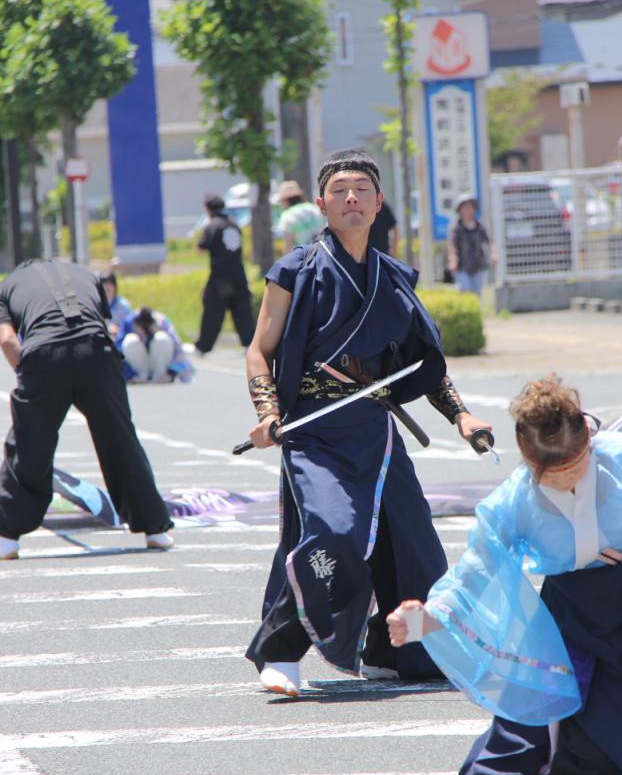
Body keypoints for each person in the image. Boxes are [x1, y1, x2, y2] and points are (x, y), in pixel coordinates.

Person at [243, 148, 492, 698]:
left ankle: (391, 650)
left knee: (416, 545)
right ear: (321, 204)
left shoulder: (394, 277)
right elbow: (260, 351)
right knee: (333, 533)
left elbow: (420, 363)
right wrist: (267, 413)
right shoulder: (295, 270)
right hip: (313, 430)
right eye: (339, 190)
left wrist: (461, 415)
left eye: (361, 188)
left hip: (376, 433)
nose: (350, 197)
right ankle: (280, 650)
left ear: (379, 204)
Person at [388, 374, 622, 775]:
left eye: (577, 466)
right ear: (529, 462)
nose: (567, 482)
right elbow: (478, 567)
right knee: (508, 763)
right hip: (573, 625)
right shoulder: (515, 501)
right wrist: (427, 618)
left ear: (589, 441)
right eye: (553, 475)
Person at [0, 259, 174, 559]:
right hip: (96, 350)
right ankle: (155, 529)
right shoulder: (87, 275)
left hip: (44, 351)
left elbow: (7, 339)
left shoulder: (7, 287)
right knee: (120, 437)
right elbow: (101, 323)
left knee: (30, 441)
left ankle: (7, 537)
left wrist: (28, 375)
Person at [194, 193, 255, 355]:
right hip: (239, 273)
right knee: (242, 310)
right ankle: (250, 343)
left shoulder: (212, 225)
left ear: (208, 208)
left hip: (220, 276)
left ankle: (203, 346)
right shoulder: (234, 224)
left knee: (213, 311)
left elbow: (201, 248)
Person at [117, 306, 195, 384]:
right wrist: (128, 373)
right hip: (137, 370)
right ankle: (141, 375)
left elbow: (178, 350)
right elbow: (118, 348)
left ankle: (160, 375)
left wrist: (172, 372)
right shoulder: (129, 322)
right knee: (130, 339)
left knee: (161, 338)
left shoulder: (162, 322)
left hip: (161, 367)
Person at [448, 193, 496, 296]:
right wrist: (453, 260)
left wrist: (494, 254)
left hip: (478, 263)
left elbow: (489, 241)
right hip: (462, 265)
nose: (468, 210)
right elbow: (452, 246)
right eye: (465, 207)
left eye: (470, 207)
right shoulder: (457, 227)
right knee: (465, 289)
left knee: (477, 292)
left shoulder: (480, 226)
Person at [277, 179, 325, 251]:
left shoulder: (287, 215)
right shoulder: (314, 208)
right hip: (322, 251)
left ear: (285, 200)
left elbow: (288, 243)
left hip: (304, 255)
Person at [99, 271, 131, 337]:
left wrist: (118, 330)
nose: (106, 287)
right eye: (103, 284)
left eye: (109, 284)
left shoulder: (123, 305)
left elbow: (129, 327)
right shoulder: (96, 304)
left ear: (115, 286)